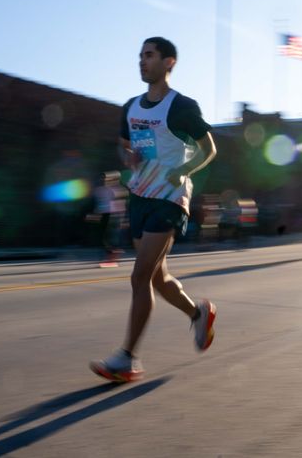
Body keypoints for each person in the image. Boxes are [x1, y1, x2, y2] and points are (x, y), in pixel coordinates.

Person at [90, 37, 218, 382]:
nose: (142, 61)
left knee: (139, 276)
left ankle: (127, 357)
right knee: (157, 277)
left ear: (169, 62)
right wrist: (128, 158)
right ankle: (198, 313)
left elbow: (209, 149)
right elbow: (125, 147)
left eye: (149, 55)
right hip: (141, 196)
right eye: (140, 56)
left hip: (170, 197)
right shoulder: (131, 107)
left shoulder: (182, 106)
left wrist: (185, 171)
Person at [90, 171, 128, 268]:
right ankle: (110, 257)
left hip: (114, 215)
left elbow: (121, 204)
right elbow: (98, 203)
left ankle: (112, 259)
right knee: (104, 237)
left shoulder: (119, 190)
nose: (106, 180)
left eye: (109, 178)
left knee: (111, 237)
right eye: (105, 178)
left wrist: (123, 218)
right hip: (103, 215)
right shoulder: (100, 190)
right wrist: (95, 214)